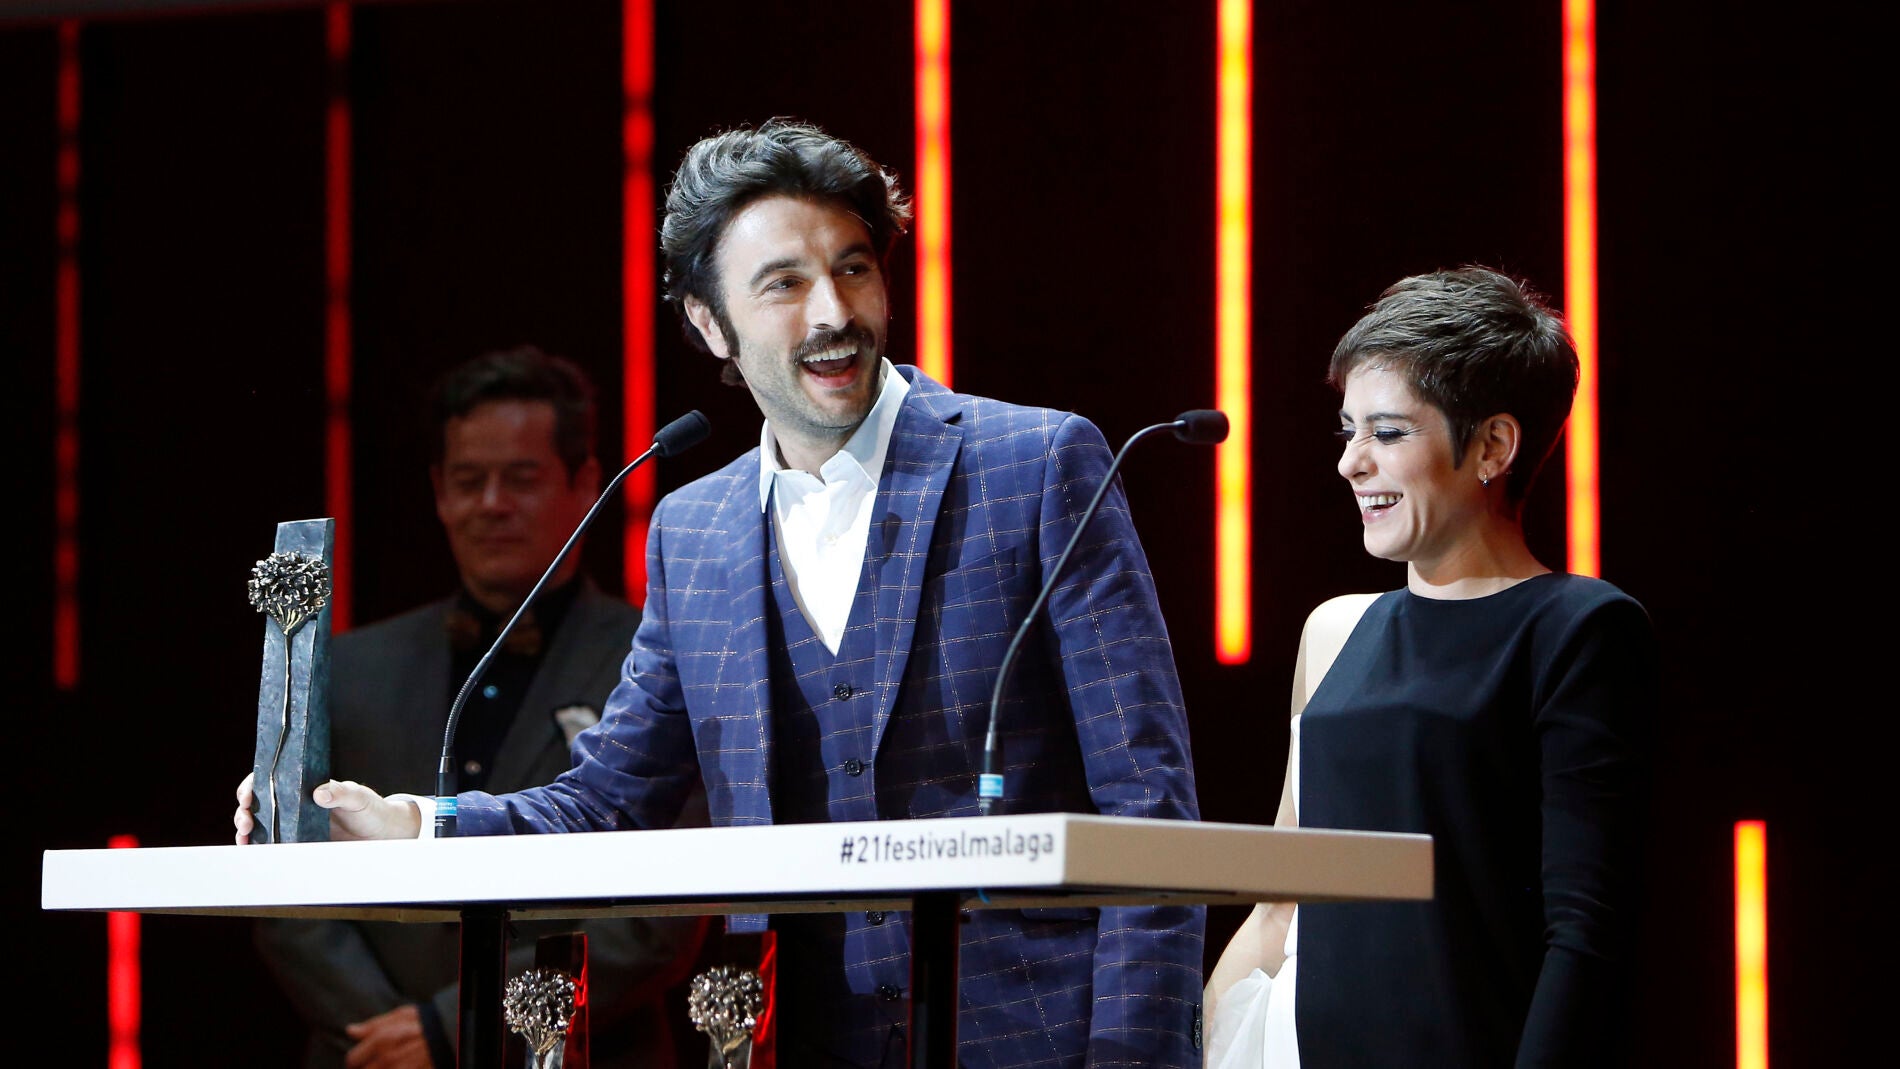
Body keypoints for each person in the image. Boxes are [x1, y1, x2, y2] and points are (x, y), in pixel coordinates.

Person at [238, 119, 1204, 1069]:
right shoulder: (693, 530)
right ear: (709, 323)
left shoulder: (1034, 463)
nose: (833, 311)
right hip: (794, 1038)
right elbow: (609, 799)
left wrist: (1138, 1053)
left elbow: (1150, 809)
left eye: (855, 267)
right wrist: (405, 819)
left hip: (1036, 1039)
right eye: (784, 283)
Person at [1203, 267, 1658, 1067]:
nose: (1351, 462)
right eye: (1347, 430)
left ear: (1492, 446)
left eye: (1386, 433)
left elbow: (1585, 933)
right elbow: (1279, 907)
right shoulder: (1334, 630)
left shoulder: (1580, 629)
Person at [252, 347, 706, 1069]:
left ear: (585, 483)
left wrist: (450, 1028)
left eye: (521, 479)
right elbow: (287, 871)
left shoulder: (654, 658)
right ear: (439, 491)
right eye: (469, 480)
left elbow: (656, 917)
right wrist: (383, 1029)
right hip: (363, 1052)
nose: (492, 502)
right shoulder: (352, 666)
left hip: (582, 1052)